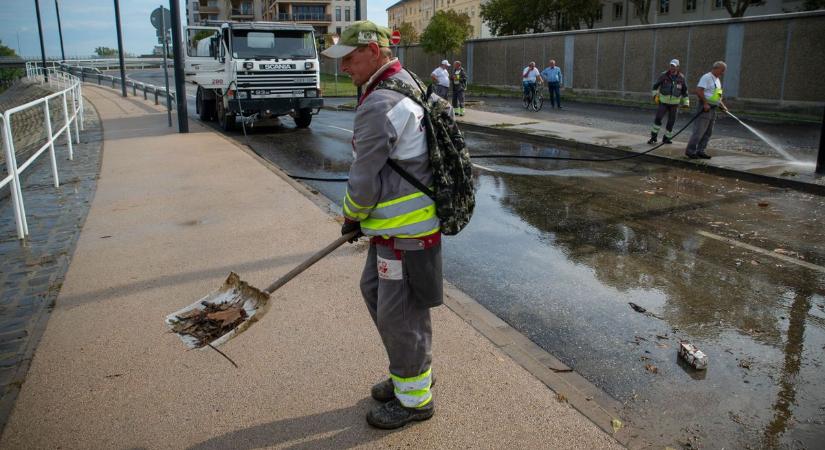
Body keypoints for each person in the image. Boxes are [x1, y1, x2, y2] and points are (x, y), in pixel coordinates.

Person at [322, 20, 442, 430]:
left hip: (406, 232)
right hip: (394, 229)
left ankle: (415, 400)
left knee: (400, 312)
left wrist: (352, 215)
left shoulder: (379, 104)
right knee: (374, 291)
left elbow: (363, 176)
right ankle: (408, 368)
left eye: (349, 58)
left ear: (373, 51)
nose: (343, 69)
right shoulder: (403, 80)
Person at [685, 61, 728, 159]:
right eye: (722, 70)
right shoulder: (707, 77)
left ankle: (701, 150)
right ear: (716, 68)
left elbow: (717, 96)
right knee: (699, 131)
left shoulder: (717, 80)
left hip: (713, 109)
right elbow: (699, 90)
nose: (723, 73)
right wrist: (705, 103)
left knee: (708, 132)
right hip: (705, 108)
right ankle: (690, 151)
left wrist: (722, 105)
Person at [648, 59, 689, 145]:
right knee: (658, 118)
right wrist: (655, 96)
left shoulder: (681, 77)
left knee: (671, 121)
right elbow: (655, 86)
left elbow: (684, 91)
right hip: (663, 102)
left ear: (678, 67)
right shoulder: (664, 75)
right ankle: (653, 137)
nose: (672, 67)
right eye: (671, 65)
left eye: (674, 66)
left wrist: (686, 103)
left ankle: (667, 138)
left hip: (674, 104)